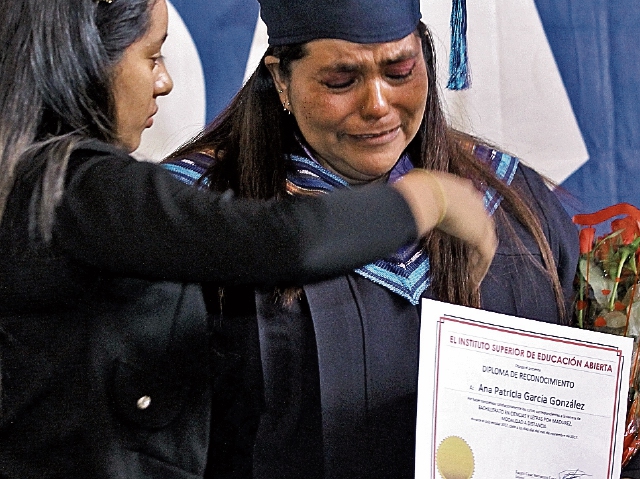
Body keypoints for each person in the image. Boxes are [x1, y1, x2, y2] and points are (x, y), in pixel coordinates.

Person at [0, 0, 499, 478]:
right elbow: (284, 242)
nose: (165, 81)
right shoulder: (79, 189)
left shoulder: (35, 181)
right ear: (86, 62)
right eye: (151, 56)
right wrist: (429, 198)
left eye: (399, 71)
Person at [164, 0, 581, 478]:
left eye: (400, 71)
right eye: (341, 81)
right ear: (281, 79)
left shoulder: (511, 201)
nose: (378, 105)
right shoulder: (197, 217)